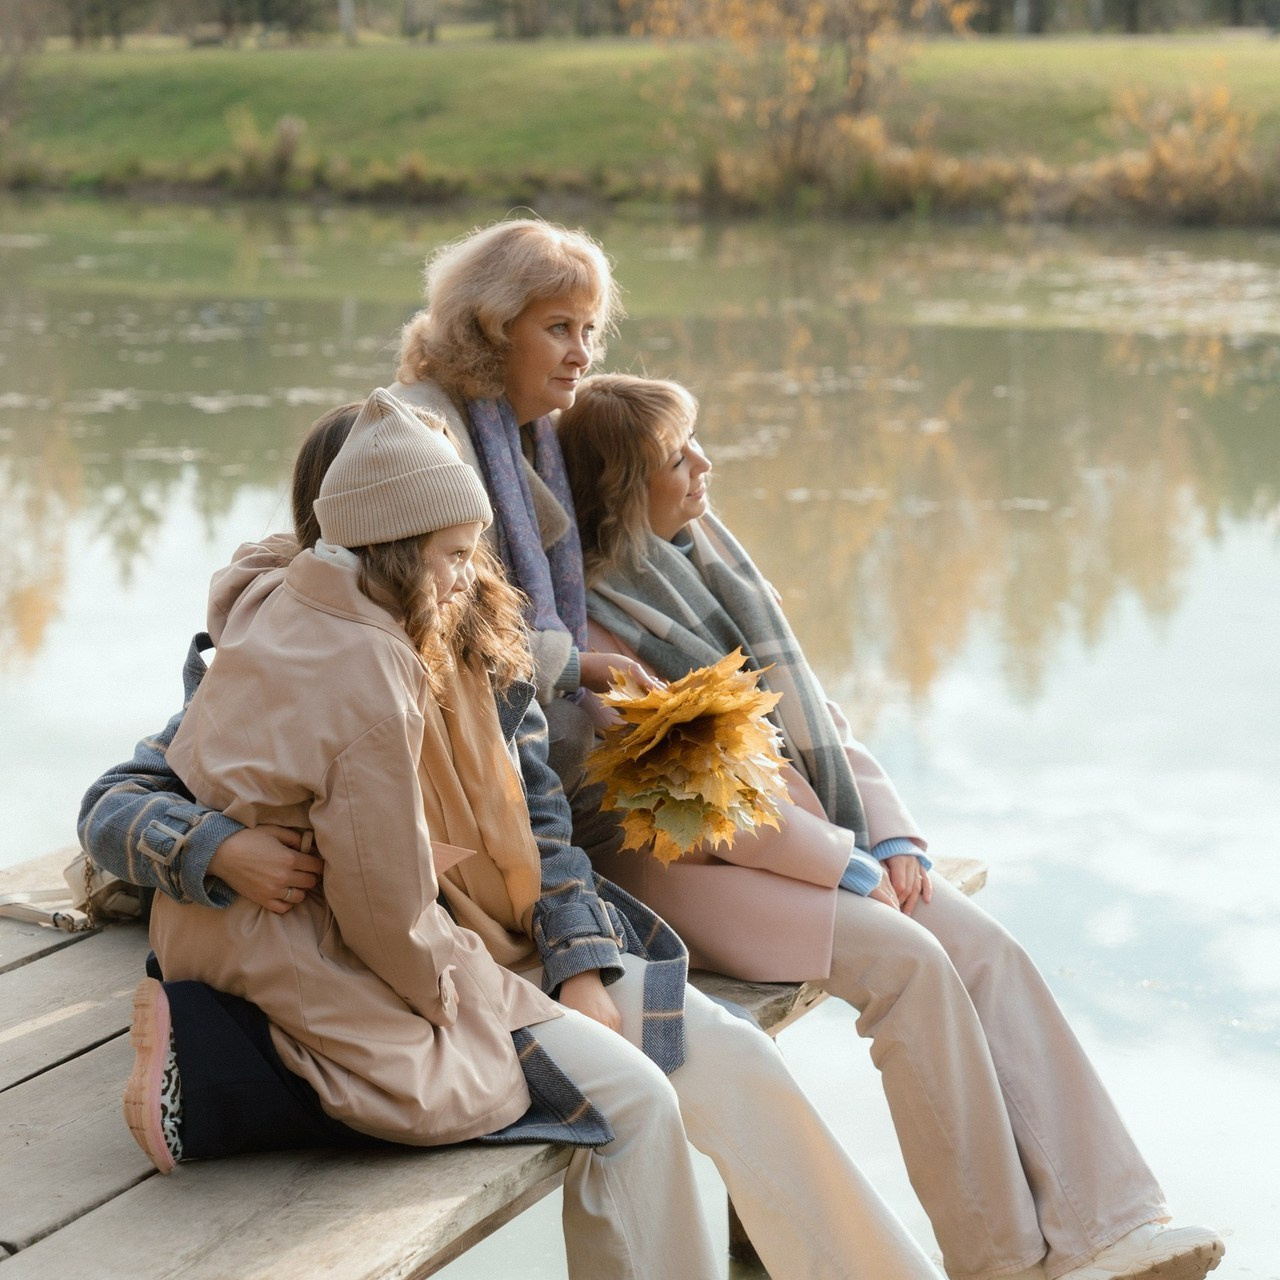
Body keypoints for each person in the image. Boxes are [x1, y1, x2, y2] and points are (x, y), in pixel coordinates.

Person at [80, 391, 944, 1280]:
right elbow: (115, 802)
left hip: (519, 937)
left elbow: (544, 821)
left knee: (733, 1060)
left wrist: (581, 963)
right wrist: (216, 848)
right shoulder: (285, 648)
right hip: (407, 968)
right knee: (632, 1107)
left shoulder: (482, 634)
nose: (461, 557)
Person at [556, 373, 1226, 1280]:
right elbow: (702, 809)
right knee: (912, 963)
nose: (706, 466)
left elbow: (818, 719)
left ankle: (1107, 1224)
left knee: (980, 942)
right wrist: (846, 868)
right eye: (681, 457)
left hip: (807, 841)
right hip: (688, 866)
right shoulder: (598, 622)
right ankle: (1002, 1259)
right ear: (624, 486)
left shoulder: (706, 561)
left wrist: (895, 839)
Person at [386, 217, 653, 786]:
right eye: (560, 328)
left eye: (588, 330)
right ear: (492, 330)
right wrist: (577, 667)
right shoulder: (423, 432)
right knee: (571, 734)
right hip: (416, 714)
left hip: (491, 691)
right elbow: (421, 615)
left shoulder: (531, 430)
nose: (582, 355)